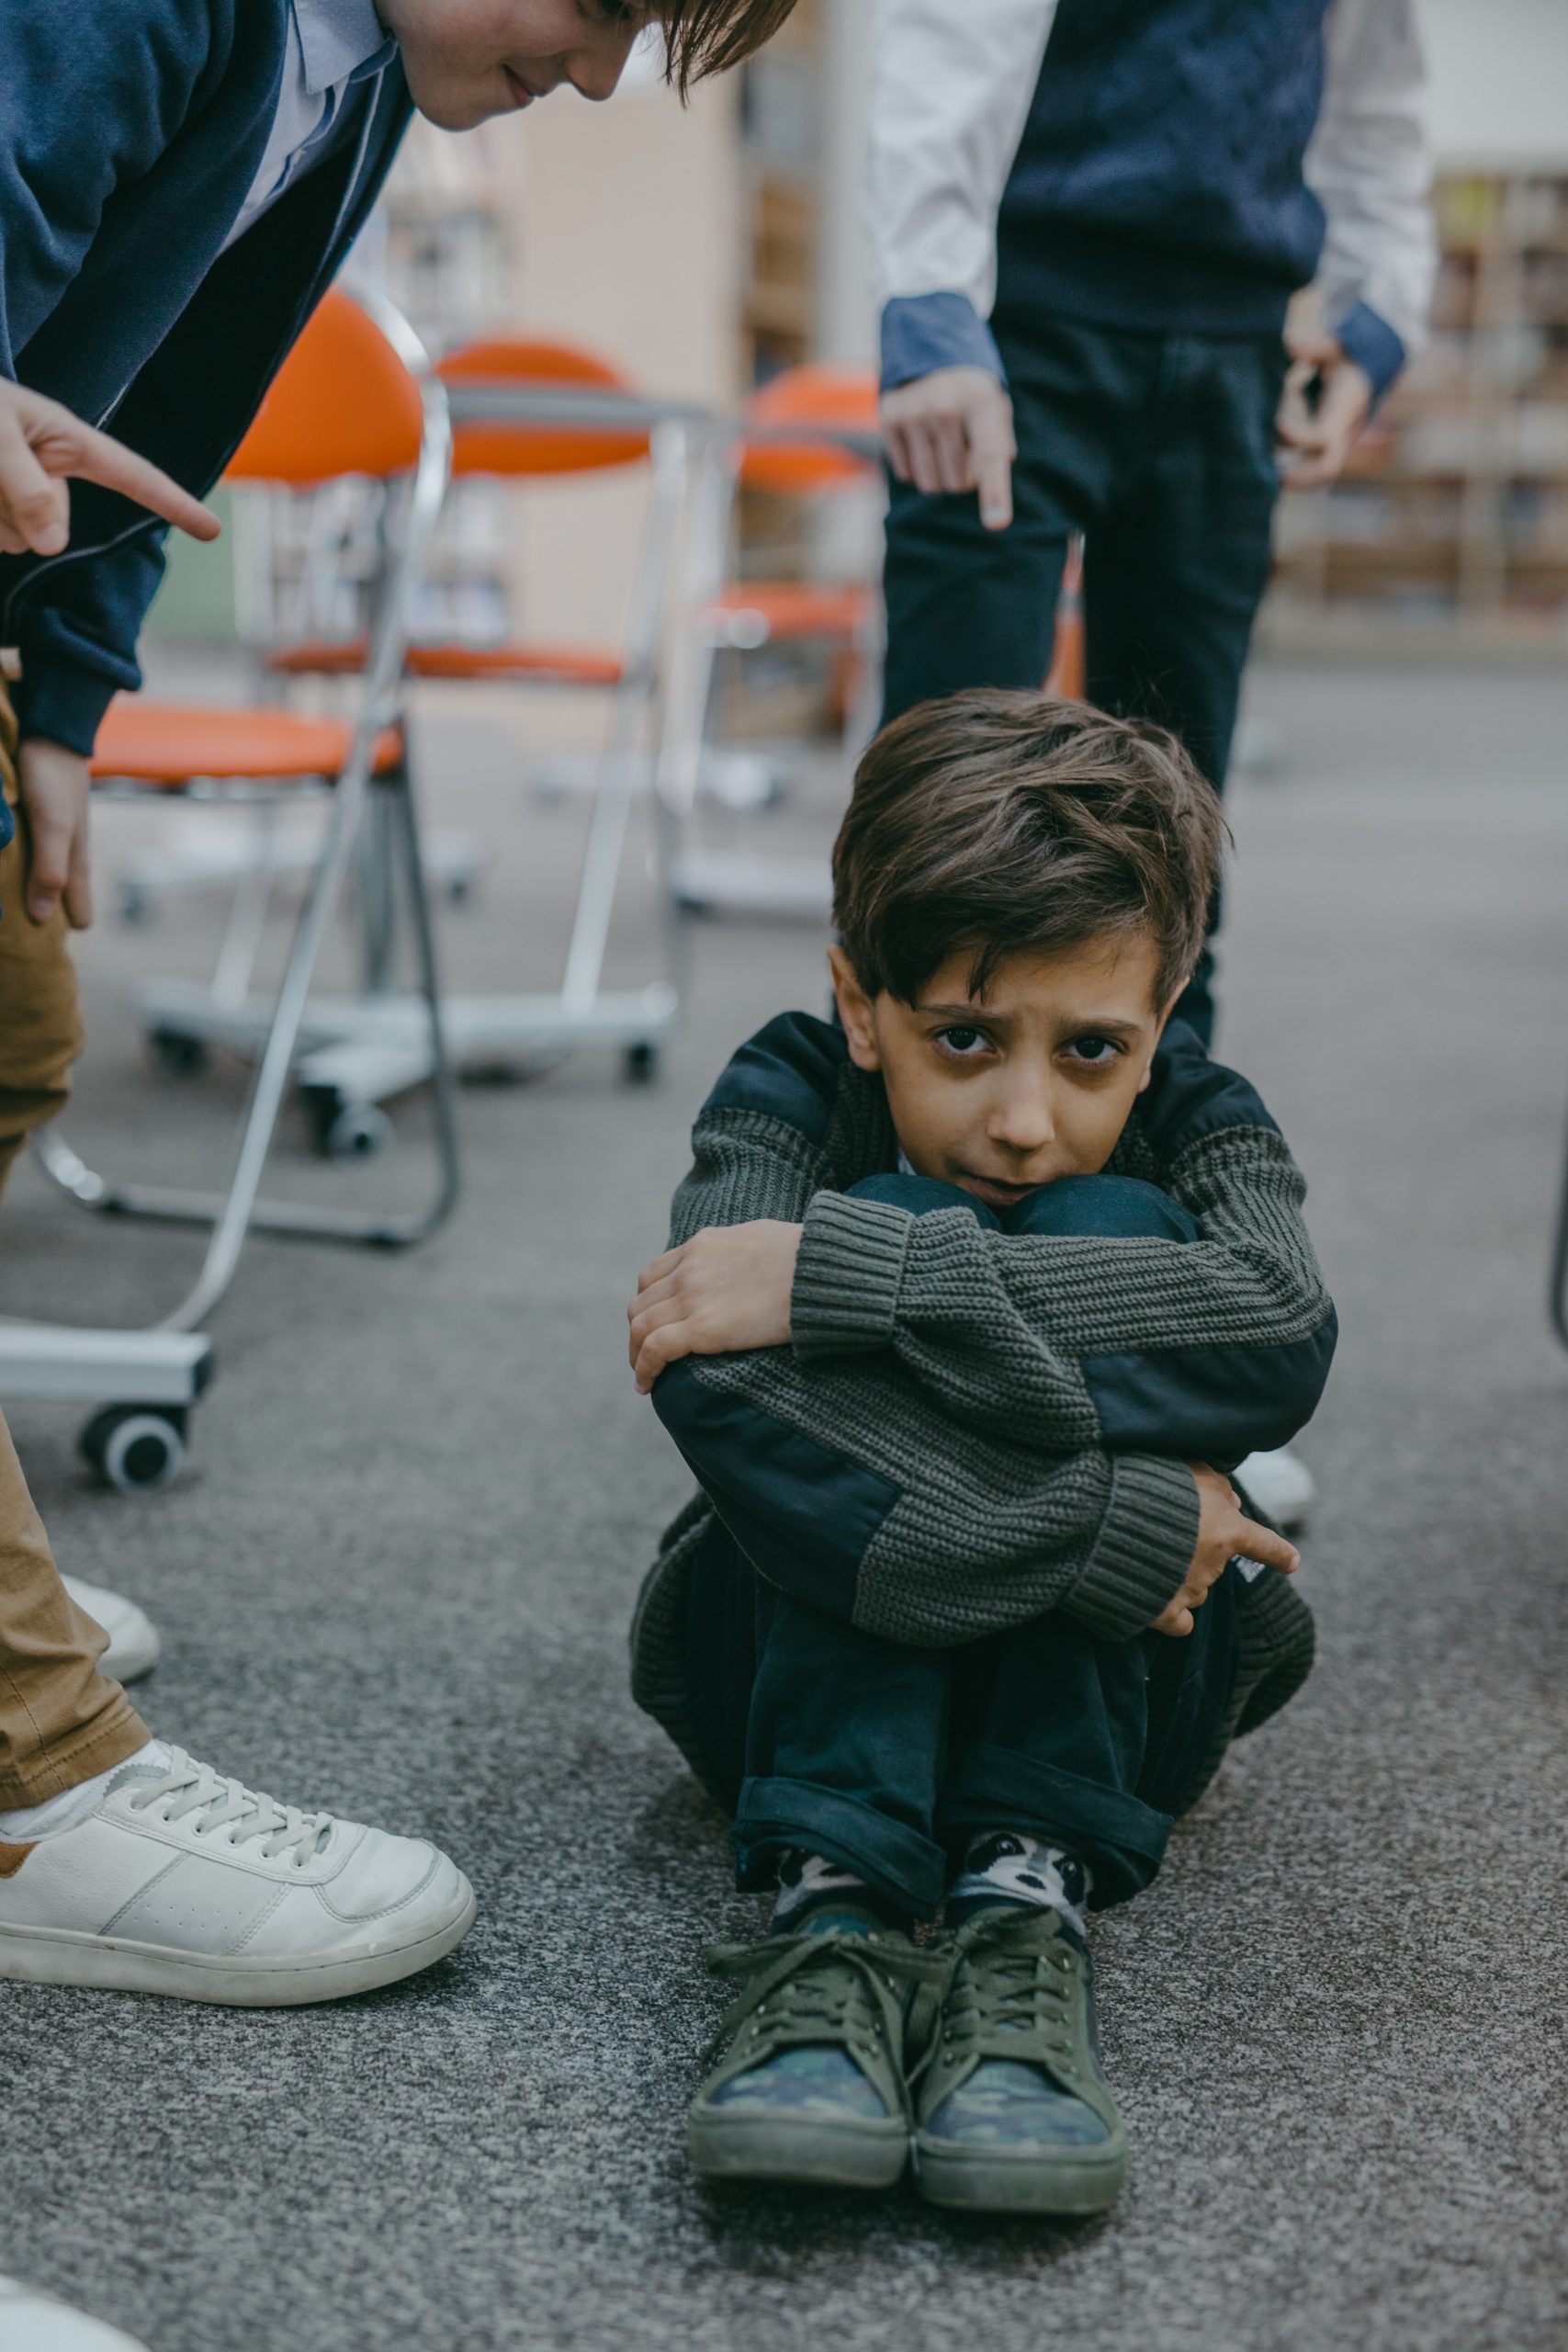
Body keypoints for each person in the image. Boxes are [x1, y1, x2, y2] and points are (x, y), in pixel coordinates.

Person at [0, 0, 795, 2006]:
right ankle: (29, 1781)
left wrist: (71, 704)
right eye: (601, 9)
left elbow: (171, 398)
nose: (603, 75)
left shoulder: (348, 82)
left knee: (18, 1034)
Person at [626, 691, 1335, 2211]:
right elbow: (716, 1382)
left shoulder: (1198, 1116)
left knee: (1083, 1220)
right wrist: (1121, 1523)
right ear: (858, 1002)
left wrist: (857, 1283)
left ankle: (1026, 1900)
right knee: (888, 1246)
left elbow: (1272, 1328)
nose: (1025, 1114)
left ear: (1166, 1010)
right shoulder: (784, 1093)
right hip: (781, 1679)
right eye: (962, 1038)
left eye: (1092, 1049)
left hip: (1117, 1707)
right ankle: (831, 1916)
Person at [867, 0, 1435, 1048]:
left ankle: (1150, 1190)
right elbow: (955, 25)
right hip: (1013, 325)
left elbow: (1375, 85)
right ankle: (880, 1192)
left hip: (1234, 349)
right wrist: (930, 300)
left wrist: (1380, 308)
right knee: (937, 824)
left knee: (1176, 855)